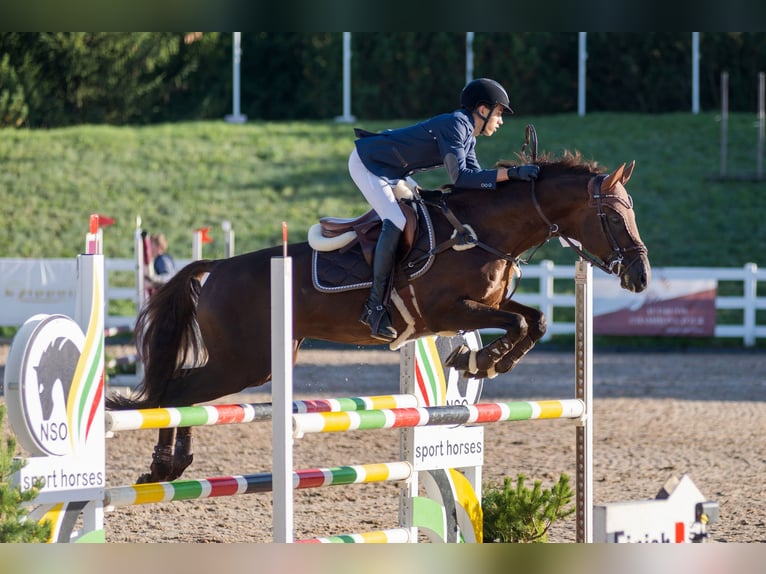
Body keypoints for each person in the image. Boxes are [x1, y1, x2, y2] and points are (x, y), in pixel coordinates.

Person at [349, 77, 540, 343]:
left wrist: (513, 181)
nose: (501, 120)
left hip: (393, 172)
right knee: (396, 220)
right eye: (499, 113)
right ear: (482, 110)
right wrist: (512, 173)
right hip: (370, 164)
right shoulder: (455, 125)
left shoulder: (466, 134)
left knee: (418, 214)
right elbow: (460, 178)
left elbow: (475, 180)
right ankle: (375, 308)